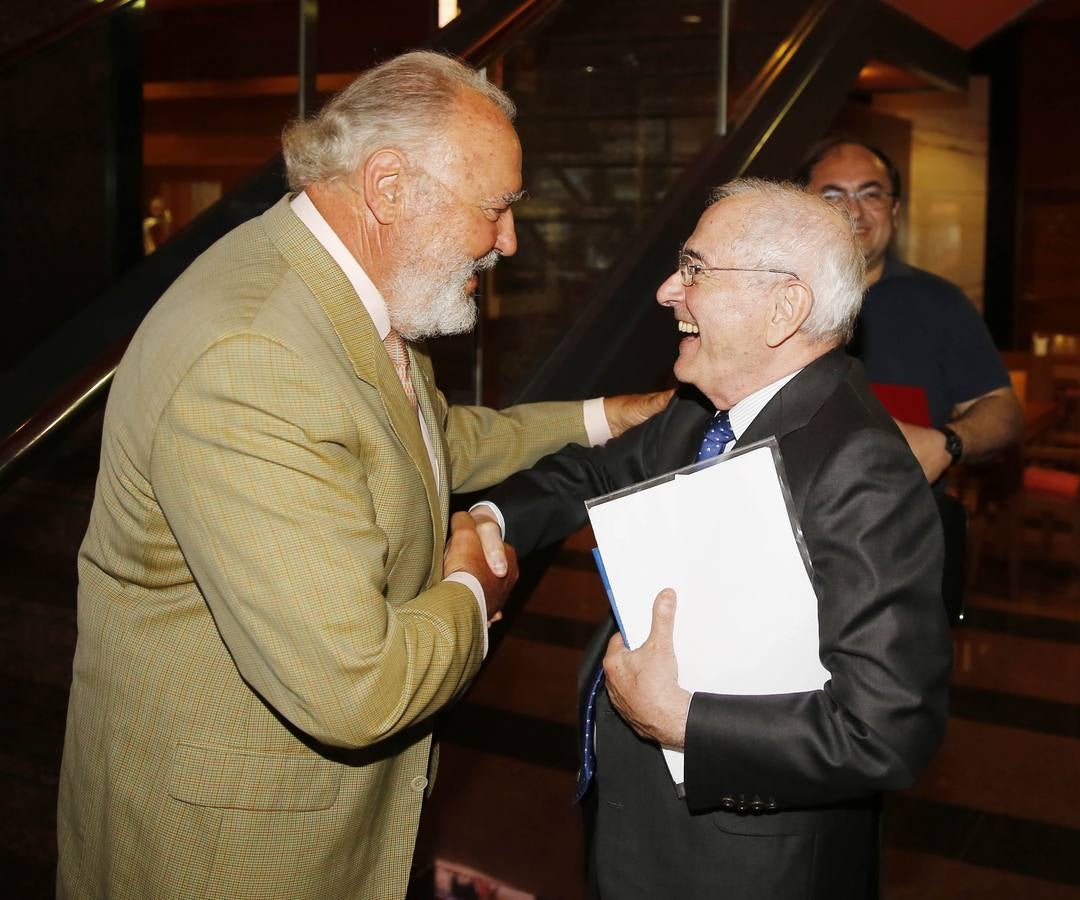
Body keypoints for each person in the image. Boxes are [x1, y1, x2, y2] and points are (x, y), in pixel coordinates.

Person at [56, 52, 666, 900]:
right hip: (232, 853)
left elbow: (425, 438)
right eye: (495, 210)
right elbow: (358, 690)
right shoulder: (255, 358)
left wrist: (603, 415)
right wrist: (473, 589)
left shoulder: (332, 286)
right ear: (387, 186)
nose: (508, 242)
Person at [475, 179, 951, 898]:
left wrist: (685, 721)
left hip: (745, 867)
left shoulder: (860, 465)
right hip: (644, 836)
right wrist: (493, 520)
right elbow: (589, 474)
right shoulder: (706, 409)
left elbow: (885, 730)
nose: (669, 290)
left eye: (695, 270)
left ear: (784, 307)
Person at [797, 139, 1022, 483]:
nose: (854, 212)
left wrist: (947, 443)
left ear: (895, 211)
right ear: (801, 211)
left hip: (907, 525)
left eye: (871, 195)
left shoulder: (941, 304)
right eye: (833, 196)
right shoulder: (769, 300)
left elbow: (1002, 409)